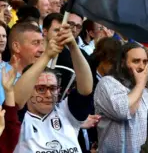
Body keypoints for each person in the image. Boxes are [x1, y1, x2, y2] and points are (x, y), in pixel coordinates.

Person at [12, 22, 94, 152]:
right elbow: (15, 101)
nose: (49, 94)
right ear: (28, 91)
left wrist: (73, 46)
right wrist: (46, 56)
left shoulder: (66, 112)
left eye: (53, 88)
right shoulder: (17, 120)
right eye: (41, 89)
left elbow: (86, 89)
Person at [95, 42, 148, 152]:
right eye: (136, 61)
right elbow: (123, 110)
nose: (141, 67)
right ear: (122, 63)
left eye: (145, 62)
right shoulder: (107, 84)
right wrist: (140, 84)